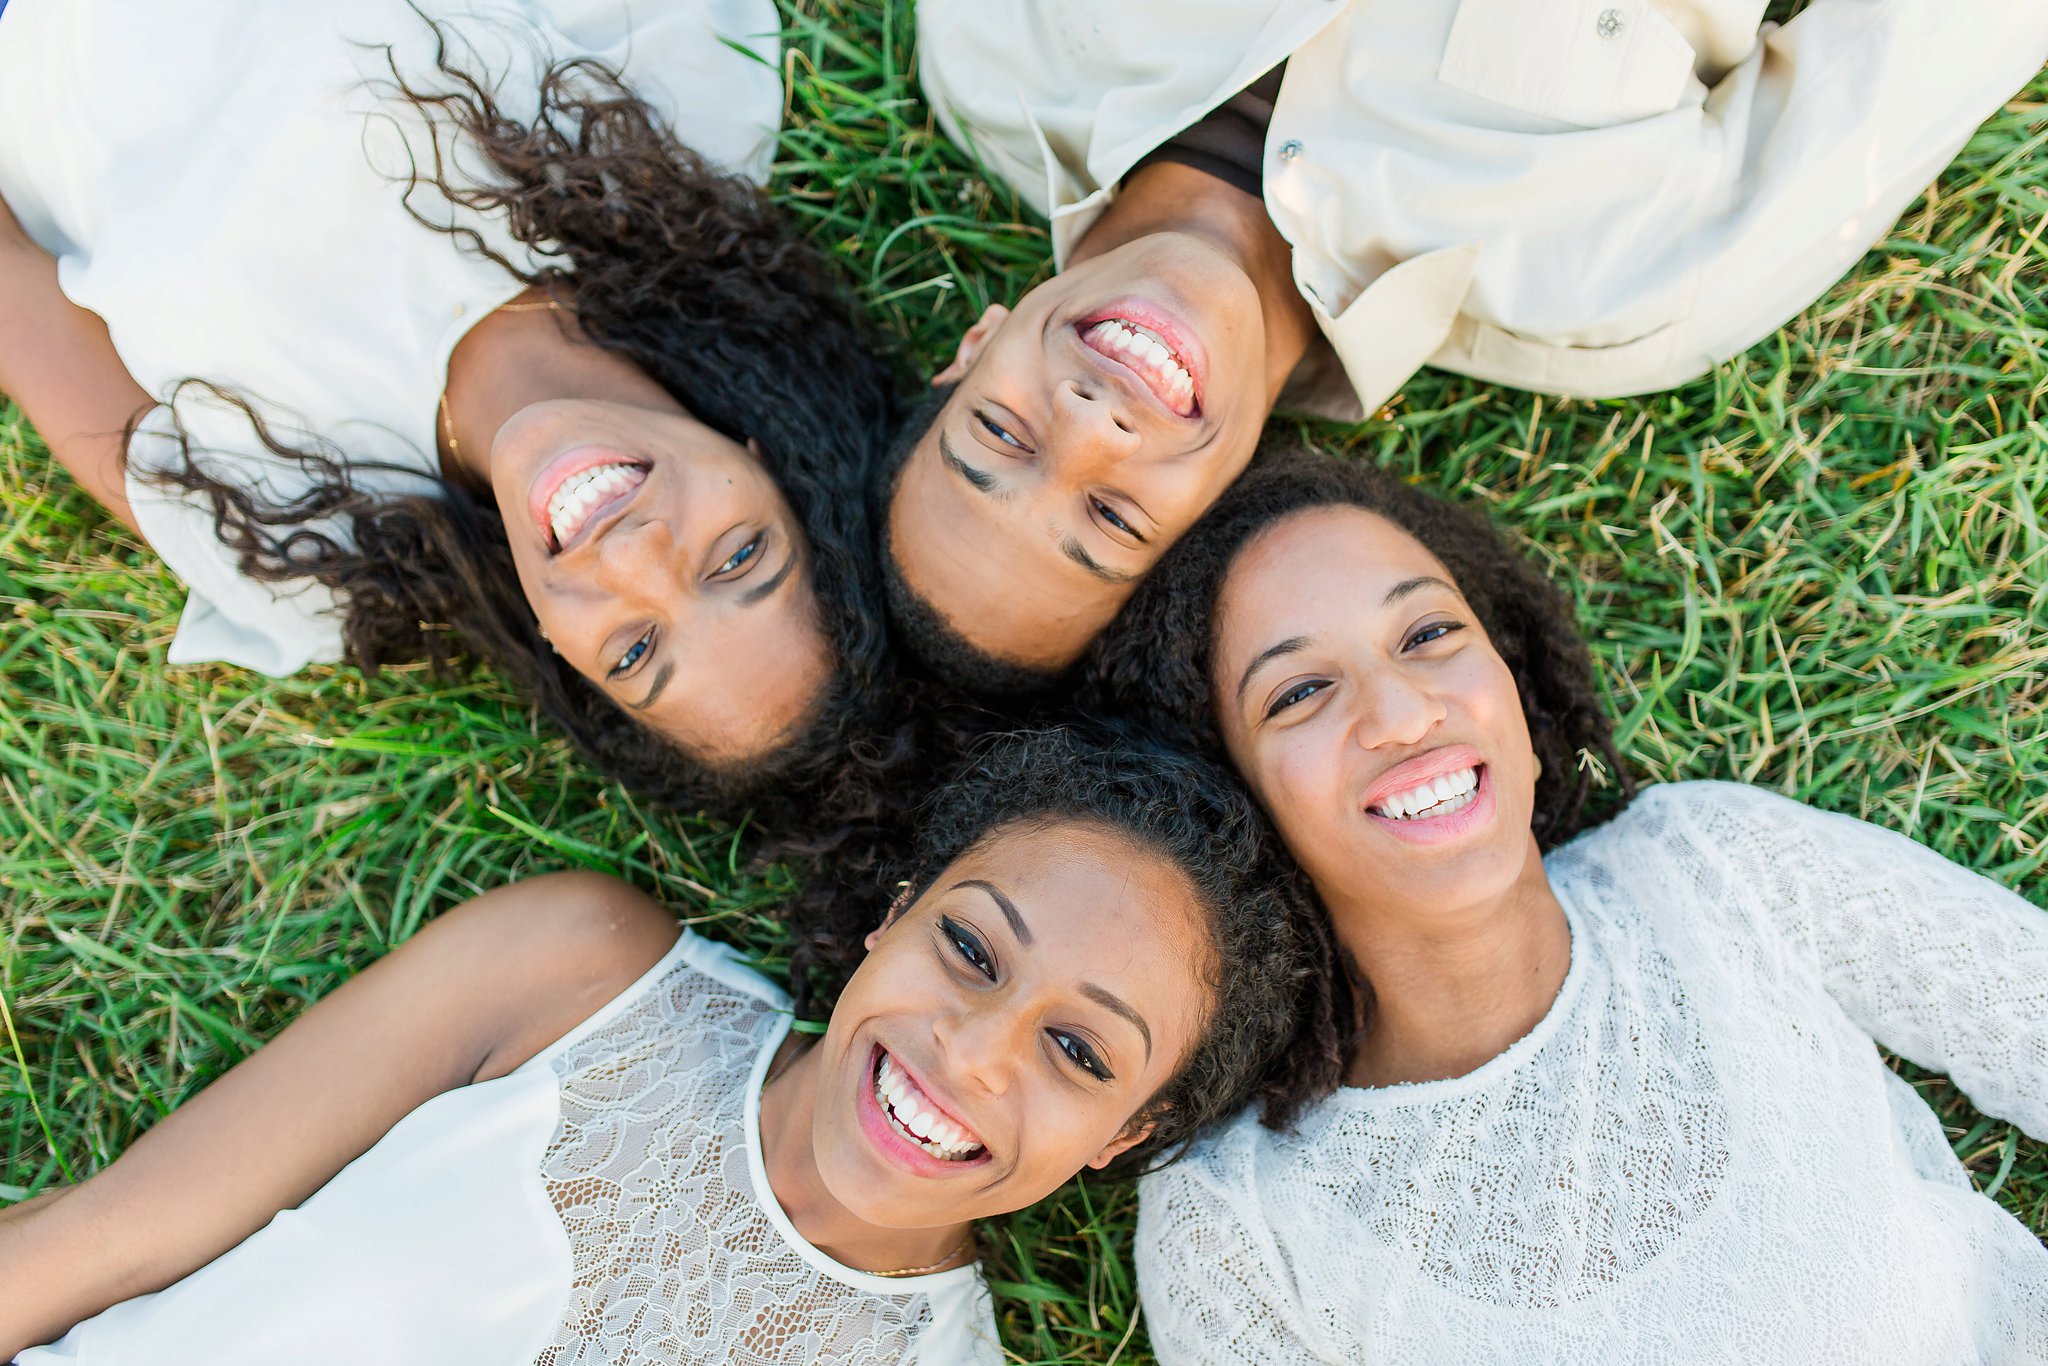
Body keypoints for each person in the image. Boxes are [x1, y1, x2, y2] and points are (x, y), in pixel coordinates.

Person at [1084, 453, 2048, 1362]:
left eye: (1427, 634)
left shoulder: (1713, 872)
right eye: (1298, 692)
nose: (1403, 712)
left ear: (1513, 683)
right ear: (1232, 807)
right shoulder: (1239, 1228)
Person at [0, 726, 1342, 1362]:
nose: (971, 1049)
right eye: (972, 949)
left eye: (1082, 1053)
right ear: (892, 916)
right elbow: (88, 1241)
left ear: (1126, 1136)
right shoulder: (575, 975)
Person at [881, 0, 2048, 690]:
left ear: (971, 348)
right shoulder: (1610, 289)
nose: (1089, 427)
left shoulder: (993, 45)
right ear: (1219, 519)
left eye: (1000, 431)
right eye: (1112, 516)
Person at [0, 0, 898, 812]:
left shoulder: (306, 550)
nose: (633, 556)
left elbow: (14, 298)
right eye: (739, 556)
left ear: (563, 658)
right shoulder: (669, 127)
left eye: (633, 653)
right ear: (775, 457)